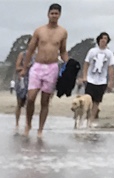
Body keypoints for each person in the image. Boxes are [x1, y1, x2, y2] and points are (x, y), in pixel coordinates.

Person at [18, 3, 68, 135]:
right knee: (30, 98)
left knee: (45, 101)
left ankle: (40, 129)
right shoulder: (39, 30)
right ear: (48, 14)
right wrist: (24, 68)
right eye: (52, 13)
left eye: (56, 14)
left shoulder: (62, 32)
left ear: (60, 15)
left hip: (52, 67)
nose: (54, 16)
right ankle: (28, 124)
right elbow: (30, 50)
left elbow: (63, 51)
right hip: (38, 66)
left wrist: (68, 64)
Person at [80, 31, 114, 125]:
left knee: (97, 101)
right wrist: (84, 76)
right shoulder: (92, 51)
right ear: (99, 40)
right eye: (102, 38)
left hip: (102, 81)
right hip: (90, 79)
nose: (103, 40)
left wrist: (111, 82)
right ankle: (85, 118)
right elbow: (86, 64)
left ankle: (91, 120)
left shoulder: (109, 53)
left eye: (106, 39)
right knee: (88, 100)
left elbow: (111, 68)